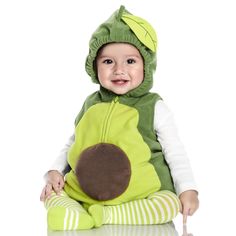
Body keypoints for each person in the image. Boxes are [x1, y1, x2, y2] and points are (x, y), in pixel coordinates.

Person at [40, 5, 199, 231]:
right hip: (84, 190)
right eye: (108, 62)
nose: (119, 70)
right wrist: (55, 171)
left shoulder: (154, 107)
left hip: (141, 194)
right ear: (94, 66)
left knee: (167, 204)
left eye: (130, 61)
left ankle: (105, 214)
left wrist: (187, 189)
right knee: (52, 194)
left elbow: (175, 151)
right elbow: (73, 143)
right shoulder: (90, 104)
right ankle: (77, 211)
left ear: (147, 65)